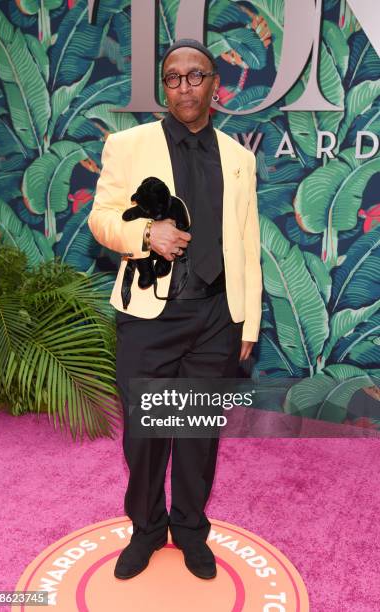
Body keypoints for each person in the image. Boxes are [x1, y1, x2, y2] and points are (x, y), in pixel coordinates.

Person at [88, 38, 262, 581]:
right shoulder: (127, 144)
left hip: (216, 318)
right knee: (145, 434)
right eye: (173, 77)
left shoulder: (240, 158)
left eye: (196, 75)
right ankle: (146, 529)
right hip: (148, 317)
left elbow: (246, 241)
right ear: (164, 87)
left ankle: (189, 529)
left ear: (216, 84)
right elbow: (100, 219)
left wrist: (247, 321)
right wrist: (145, 232)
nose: (185, 85)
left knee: (195, 435)